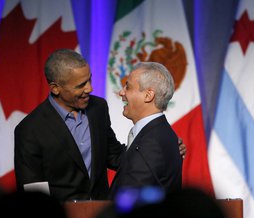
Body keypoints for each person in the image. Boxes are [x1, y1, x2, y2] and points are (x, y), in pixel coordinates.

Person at [14, 49, 186, 202]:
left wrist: (161, 150)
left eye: (89, 80)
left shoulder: (98, 108)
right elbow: (34, 194)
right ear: (55, 88)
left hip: (103, 211)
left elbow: (115, 155)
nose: (90, 88)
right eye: (81, 85)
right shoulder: (30, 130)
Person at [109, 62, 183, 199]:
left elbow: (131, 203)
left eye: (128, 87)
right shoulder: (157, 134)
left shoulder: (151, 142)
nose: (121, 92)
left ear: (148, 95)